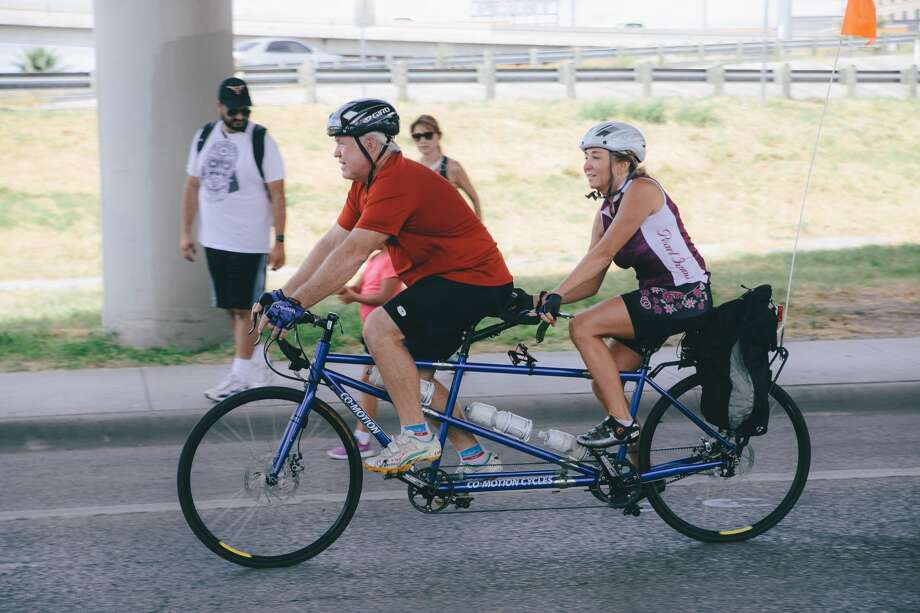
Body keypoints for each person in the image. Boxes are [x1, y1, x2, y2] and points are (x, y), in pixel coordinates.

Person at [254, 98, 512, 476]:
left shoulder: (397, 181)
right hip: (444, 282)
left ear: (370, 145)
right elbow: (331, 244)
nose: (335, 152)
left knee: (378, 326)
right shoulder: (367, 184)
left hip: (471, 280)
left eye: (342, 143)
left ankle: (416, 438)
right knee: (406, 381)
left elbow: (355, 254)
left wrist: (297, 303)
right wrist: (283, 295)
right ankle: (476, 457)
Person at [536, 121, 712, 449]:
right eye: (586, 157)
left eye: (595, 157)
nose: (586, 165)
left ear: (622, 162)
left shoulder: (642, 190)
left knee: (583, 327)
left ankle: (622, 424)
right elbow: (591, 283)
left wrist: (558, 294)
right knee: (606, 382)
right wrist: (541, 299)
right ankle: (634, 473)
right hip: (656, 299)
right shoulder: (605, 212)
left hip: (685, 294)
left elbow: (603, 255)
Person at [180, 77, 287, 401]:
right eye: (234, 110)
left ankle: (239, 376)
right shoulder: (204, 136)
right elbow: (192, 186)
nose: (240, 116)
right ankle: (256, 367)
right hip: (214, 239)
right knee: (233, 310)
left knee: (245, 310)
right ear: (220, 107)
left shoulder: (261, 140)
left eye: (245, 110)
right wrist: (186, 232)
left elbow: (278, 193)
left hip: (249, 241)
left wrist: (279, 240)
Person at [326, 249, 403, 460]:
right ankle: (365, 438)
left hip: (387, 332)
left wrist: (354, 297)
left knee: (374, 383)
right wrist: (345, 289)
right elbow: (359, 287)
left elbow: (385, 297)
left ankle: (364, 439)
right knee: (372, 383)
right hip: (371, 333)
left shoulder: (391, 259)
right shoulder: (374, 258)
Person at [409, 114, 483, 219]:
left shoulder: (452, 167)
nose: (423, 141)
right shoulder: (413, 169)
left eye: (428, 135)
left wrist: (479, 229)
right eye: (417, 137)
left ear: (439, 136)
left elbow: (474, 198)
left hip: (452, 230)